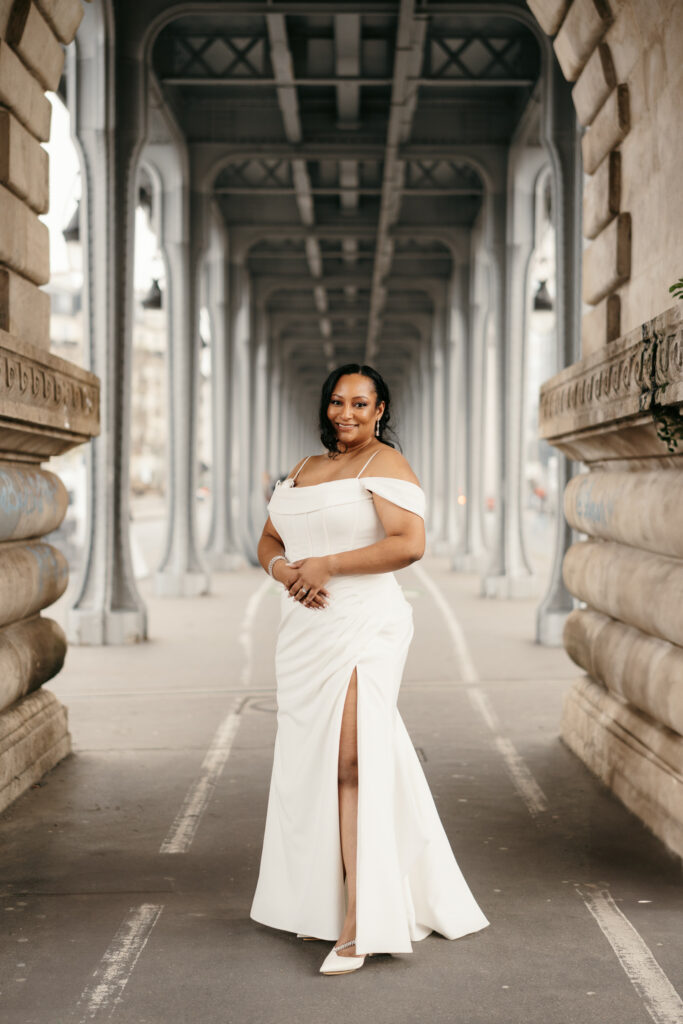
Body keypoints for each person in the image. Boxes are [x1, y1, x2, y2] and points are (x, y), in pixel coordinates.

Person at [249, 364, 489, 975]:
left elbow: (409, 543)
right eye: (337, 401)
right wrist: (284, 571)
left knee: (352, 763)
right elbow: (269, 539)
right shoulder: (303, 468)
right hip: (303, 628)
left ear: (380, 409)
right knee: (313, 766)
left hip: (363, 626)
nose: (346, 413)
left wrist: (327, 564)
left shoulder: (386, 465)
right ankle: (324, 902)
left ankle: (361, 923)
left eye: (360, 403)